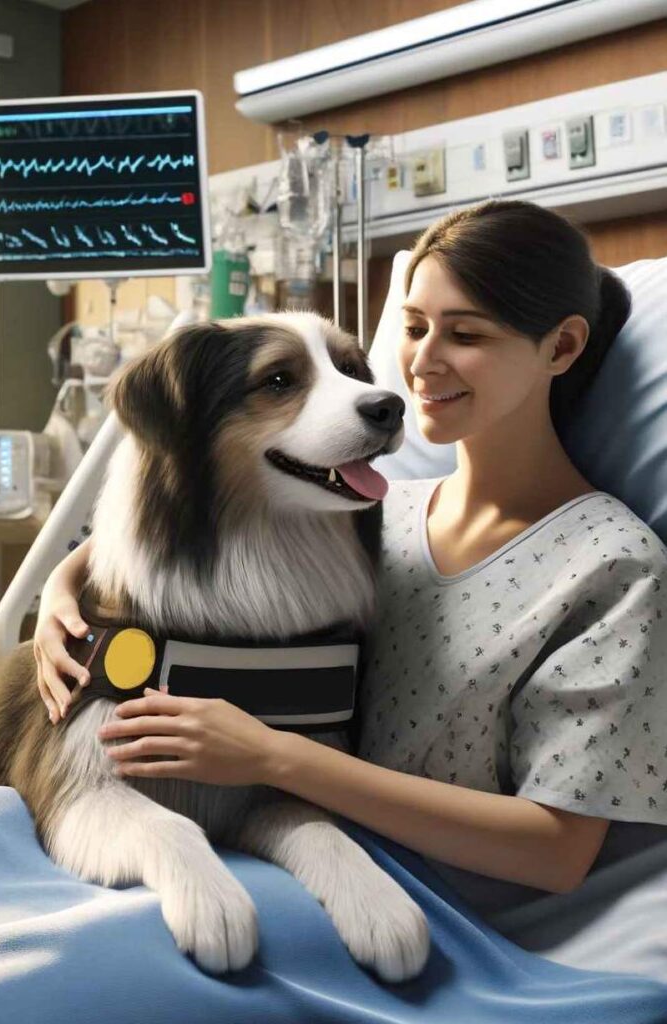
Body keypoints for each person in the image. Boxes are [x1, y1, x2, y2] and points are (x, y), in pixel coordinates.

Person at [33, 198, 667, 982]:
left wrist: (274, 757)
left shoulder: (611, 565)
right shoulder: (375, 511)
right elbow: (198, 538)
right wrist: (65, 590)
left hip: (458, 920)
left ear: (561, 346)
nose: (419, 365)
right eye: (411, 327)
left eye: (464, 334)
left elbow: (557, 851)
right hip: (292, 850)